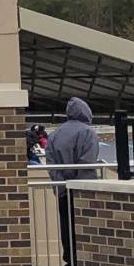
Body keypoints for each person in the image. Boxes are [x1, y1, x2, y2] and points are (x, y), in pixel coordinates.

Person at [44, 98, 104, 253]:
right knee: (86, 227)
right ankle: (83, 261)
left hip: (63, 190)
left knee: (66, 227)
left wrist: (61, 186)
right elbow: (88, 163)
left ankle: (69, 260)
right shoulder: (87, 132)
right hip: (83, 190)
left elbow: (51, 165)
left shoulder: (54, 135)